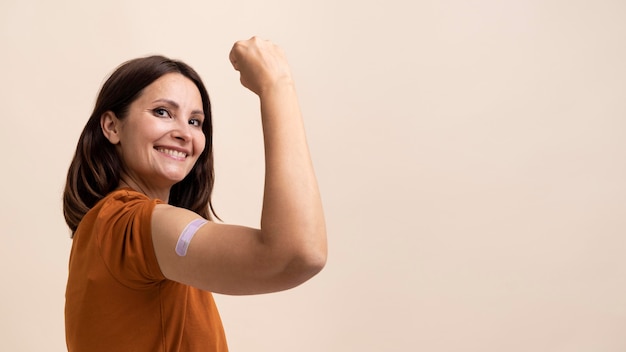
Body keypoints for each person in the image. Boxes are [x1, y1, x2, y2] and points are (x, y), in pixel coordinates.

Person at [63, 37, 327, 351]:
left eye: (195, 121)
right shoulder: (135, 226)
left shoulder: (106, 230)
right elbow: (297, 254)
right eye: (162, 112)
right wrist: (277, 85)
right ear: (112, 126)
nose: (184, 133)